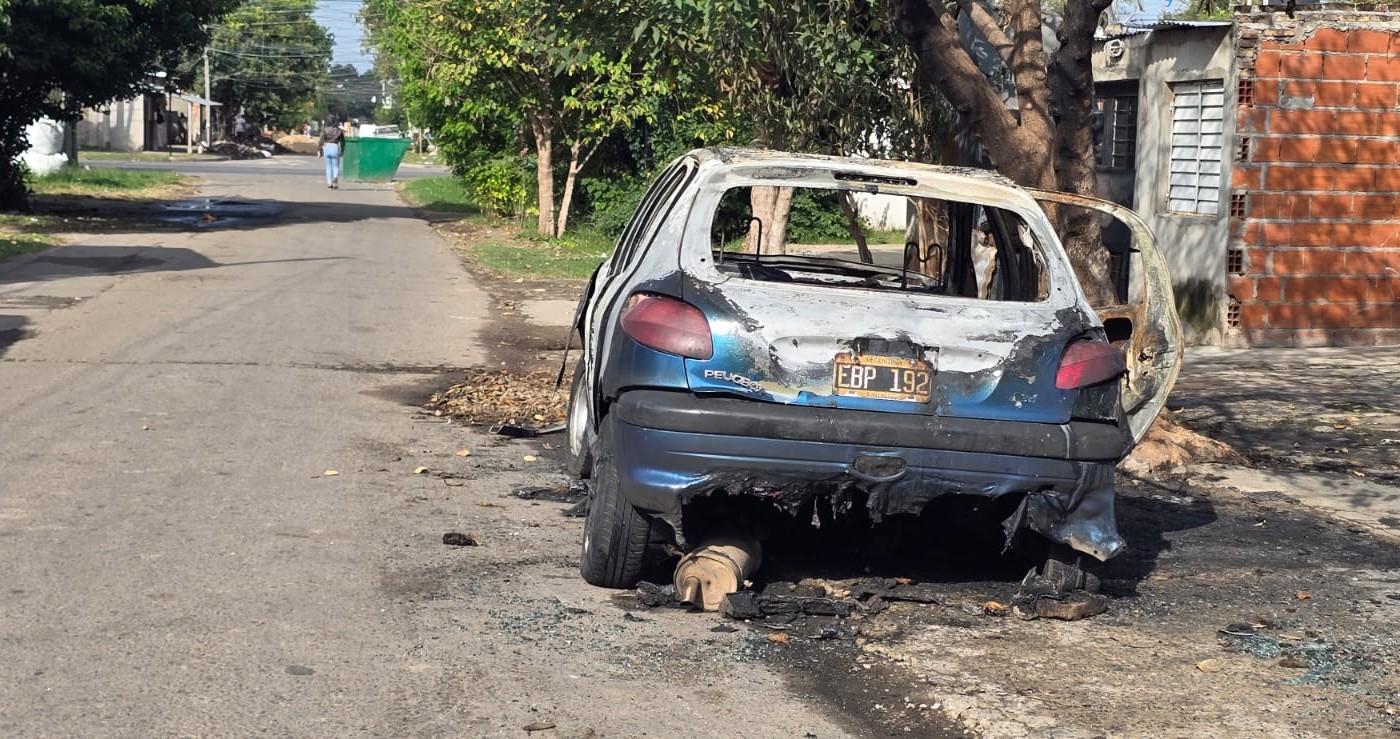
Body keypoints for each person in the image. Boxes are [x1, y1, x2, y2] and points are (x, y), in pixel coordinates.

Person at [318, 117, 344, 189]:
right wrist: (342, 150)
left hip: (327, 147)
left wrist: (319, 150)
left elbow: (321, 140)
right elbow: (342, 142)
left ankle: (329, 184)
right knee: (335, 166)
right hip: (335, 147)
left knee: (328, 167)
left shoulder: (325, 130)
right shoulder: (339, 131)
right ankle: (335, 179)